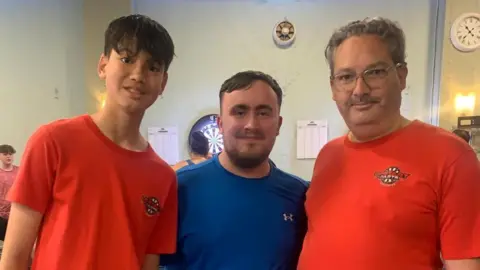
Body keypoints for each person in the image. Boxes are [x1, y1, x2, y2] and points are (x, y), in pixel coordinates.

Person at [298, 17, 480, 270]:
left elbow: (464, 264)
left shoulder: (450, 155)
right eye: (346, 76)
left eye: (374, 72)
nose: (359, 89)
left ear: (402, 75)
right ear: (333, 87)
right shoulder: (328, 155)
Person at [0, 14, 178, 270]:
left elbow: (149, 262)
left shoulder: (163, 176)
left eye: (153, 67)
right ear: (103, 66)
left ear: (163, 83)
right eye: (127, 59)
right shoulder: (53, 142)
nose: (138, 74)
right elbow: (15, 256)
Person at [161, 71, 309, 270]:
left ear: (278, 125)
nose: (251, 125)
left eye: (263, 113)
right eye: (239, 112)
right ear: (220, 124)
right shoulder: (180, 188)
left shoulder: (301, 195)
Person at [0, 144, 19, 240]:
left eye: (10, 154)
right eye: (5, 154)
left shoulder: (20, 171)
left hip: (16, 213)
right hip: (1, 215)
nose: (8, 156)